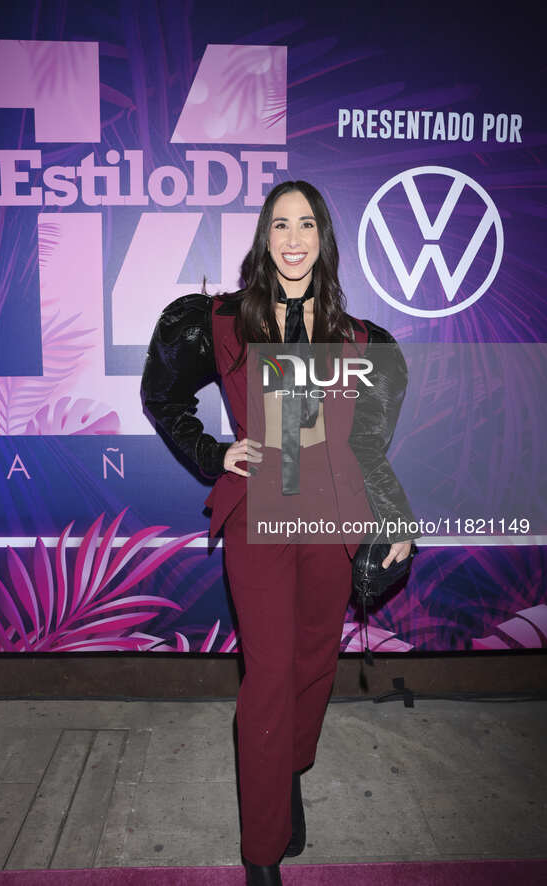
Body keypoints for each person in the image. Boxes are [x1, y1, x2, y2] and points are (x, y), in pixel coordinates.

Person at [140, 180, 416, 886]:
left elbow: (367, 447)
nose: (293, 239)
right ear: (264, 237)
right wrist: (212, 454)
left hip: (331, 515)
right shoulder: (222, 322)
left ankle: (285, 769)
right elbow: (163, 394)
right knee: (269, 673)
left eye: (306, 226)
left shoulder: (358, 339)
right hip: (259, 513)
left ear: (323, 239)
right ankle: (260, 853)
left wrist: (397, 521)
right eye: (279, 225)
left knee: (314, 665)